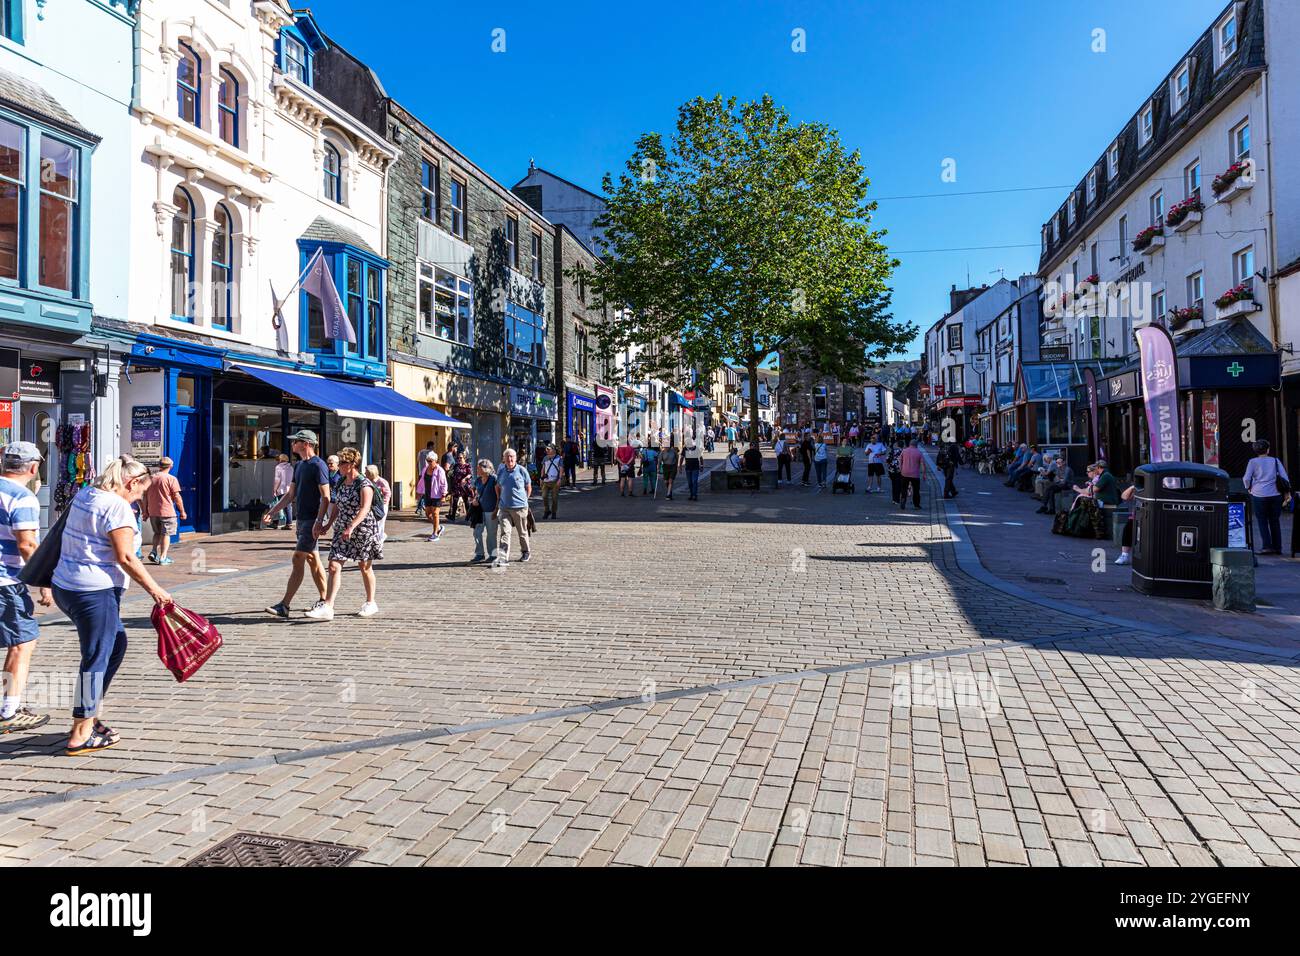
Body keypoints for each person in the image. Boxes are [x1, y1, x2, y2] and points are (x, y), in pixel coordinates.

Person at [52, 455, 171, 755]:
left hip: (67, 586)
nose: (140, 498)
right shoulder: (117, 507)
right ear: (131, 483)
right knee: (96, 657)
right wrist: (156, 590)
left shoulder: (87, 494)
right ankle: (80, 732)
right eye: (141, 492)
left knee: (116, 644)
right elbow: (126, 558)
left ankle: (89, 714)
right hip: (94, 591)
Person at [0, 442, 53, 734]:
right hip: (6, 581)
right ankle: (9, 711)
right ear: (34, 468)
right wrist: (44, 581)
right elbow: (27, 544)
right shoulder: (22, 497)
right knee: (22, 643)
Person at [307, 447, 382, 621]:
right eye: (339, 462)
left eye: (342, 462)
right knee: (333, 566)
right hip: (342, 529)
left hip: (362, 529)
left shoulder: (364, 484)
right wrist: (328, 524)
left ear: (352, 464)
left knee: (364, 566)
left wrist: (352, 527)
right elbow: (337, 506)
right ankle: (328, 606)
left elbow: (365, 509)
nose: (338, 465)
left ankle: (371, 602)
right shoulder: (341, 482)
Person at [262, 430, 330, 619]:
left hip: (311, 520)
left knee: (298, 558)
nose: (292, 445)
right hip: (302, 520)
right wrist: (273, 511)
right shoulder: (299, 465)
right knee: (313, 561)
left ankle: (284, 605)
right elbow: (290, 495)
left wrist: (319, 521)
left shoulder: (319, 465)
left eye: (296, 442)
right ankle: (325, 601)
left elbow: (326, 497)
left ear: (306, 444)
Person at [1243, 439, 1291, 555]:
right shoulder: (1275, 461)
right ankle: (1277, 547)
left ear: (1256, 451)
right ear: (1268, 450)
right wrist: (1287, 492)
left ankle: (1267, 546)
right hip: (1275, 494)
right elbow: (1284, 477)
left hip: (1259, 495)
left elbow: (1246, 478)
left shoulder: (1252, 462)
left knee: (1262, 520)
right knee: (1274, 520)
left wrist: (1248, 487)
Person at [139, 456, 187, 566]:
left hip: (153, 511)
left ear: (159, 466)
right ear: (171, 466)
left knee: (157, 533)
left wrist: (145, 511)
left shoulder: (150, 478)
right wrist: (182, 511)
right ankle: (163, 557)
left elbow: (145, 496)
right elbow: (177, 497)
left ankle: (154, 551)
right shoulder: (171, 479)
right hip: (167, 511)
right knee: (166, 534)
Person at [495, 448, 532, 566]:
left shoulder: (522, 471)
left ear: (515, 458)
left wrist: (525, 499)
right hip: (504, 507)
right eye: (508, 457)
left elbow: (528, 486)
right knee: (505, 532)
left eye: (512, 457)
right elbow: (498, 486)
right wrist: (499, 499)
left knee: (522, 532)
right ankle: (503, 557)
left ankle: (526, 551)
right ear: (504, 459)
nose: (510, 459)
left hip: (520, 507)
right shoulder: (501, 472)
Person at [470, 459, 499, 564]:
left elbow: (498, 496)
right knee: (476, 532)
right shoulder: (478, 480)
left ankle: (493, 555)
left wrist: (497, 509)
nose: (477, 470)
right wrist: (474, 500)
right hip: (479, 511)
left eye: (479, 468)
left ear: (486, 468)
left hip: (491, 511)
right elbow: (476, 493)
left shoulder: (494, 479)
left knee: (491, 534)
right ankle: (479, 554)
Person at [414, 453, 447, 541]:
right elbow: (421, 481)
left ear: (435, 460)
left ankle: (435, 534)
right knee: (428, 514)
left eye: (430, 461)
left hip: (437, 494)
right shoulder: (425, 469)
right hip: (427, 494)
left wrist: (443, 495)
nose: (429, 462)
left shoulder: (440, 470)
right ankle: (439, 528)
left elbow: (443, 483)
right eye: (427, 461)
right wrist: (419, 492)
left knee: (435, 513)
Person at [364, 464, 391, 545]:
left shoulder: (382, 481)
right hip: (371, 505)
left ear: (371, 473)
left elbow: (388, 493)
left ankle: (379, 540)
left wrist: (383, 503)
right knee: (373, 523)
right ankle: (380, 537)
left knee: (380, 523)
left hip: (380, 506)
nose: (365, 474)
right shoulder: (367, 481)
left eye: (366, 473)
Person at [447, 453, 473, 522]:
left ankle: (468, 516)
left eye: (460, 458)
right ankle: (452, 516)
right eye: (458, 458)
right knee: (455, 500)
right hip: (456, 485)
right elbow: (451, 472)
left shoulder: (467, 466)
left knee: (466, 501)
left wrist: (465, 478)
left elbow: (470, 474)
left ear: (464, 458)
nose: (459, 459)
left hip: (464, 486)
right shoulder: (456, 465)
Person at [898, 439, 923, 509]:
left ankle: (903, 500)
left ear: (909, 444)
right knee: (916, 490)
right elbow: (922, 464)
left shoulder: (904, 451)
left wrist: (900, 469)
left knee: (904, 488)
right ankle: (916, 505)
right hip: (915, 475)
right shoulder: (919, 452)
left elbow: (900, 461)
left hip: (904, 473)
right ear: (916, 445)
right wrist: (923, 473)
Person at [272, 452, 294, 530]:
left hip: (282, 489)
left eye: (278, 459)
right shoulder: (290, 467)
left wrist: (274, 489)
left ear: (281, 459)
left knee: (284, 506)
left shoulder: (278, 467)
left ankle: (288, 524)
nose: (277, 461)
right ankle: (289, 522)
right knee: (288, 506)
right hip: (290, 489)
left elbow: (277, 479)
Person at [540, 444, 563, 519]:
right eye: (546, 449)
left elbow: (561, 469)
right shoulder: (545, 458)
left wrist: (559, 479)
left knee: (554, 498)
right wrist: (541, 478)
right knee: (544, 496)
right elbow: (543, 468)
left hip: (555, 481)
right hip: (546, 481)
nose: (547, 450)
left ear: (553, 450)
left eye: (549, 449)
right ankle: (547, 510)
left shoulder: (559, 458)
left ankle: (553, 512)